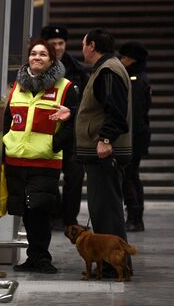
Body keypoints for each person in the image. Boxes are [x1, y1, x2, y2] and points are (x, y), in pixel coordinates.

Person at [3, 39, 78, 274]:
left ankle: (42, 257)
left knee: (39, 209)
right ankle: (33, 257)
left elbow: (71, 125)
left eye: (43, 54)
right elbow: (8, 119)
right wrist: (7, 143)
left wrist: (53, 145)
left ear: (52, 60)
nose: (37, 57)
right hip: (16, 160)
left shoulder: (65, 87)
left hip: (45, 161)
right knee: (25, 210)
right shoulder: (16, 86)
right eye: (33, 53)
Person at [76, 28, 132, 277]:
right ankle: (114, 264)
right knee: (104, 208)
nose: (82, 48)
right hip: (100, 152)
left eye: (84, 43)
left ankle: (113, 265)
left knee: (107, 209)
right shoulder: (106, 67)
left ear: (93, 45)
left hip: (105, 153)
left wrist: (106, 138)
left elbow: (115, 109)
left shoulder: (108, 69)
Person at [41, 25, 89, 229]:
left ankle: (70, 219)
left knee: (75, 177)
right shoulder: (38, 67)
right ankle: (54, 214)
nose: (58, 47)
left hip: (73, 132)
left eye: (61, 43)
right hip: (47, 130)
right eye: (54, 44)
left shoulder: (78, 69)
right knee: (49, 175)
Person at [118, 41, 151, 232]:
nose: (121, 60)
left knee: (129, 176)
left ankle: (134, 217)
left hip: (134, 136)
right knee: (132, 175)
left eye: (123, 57)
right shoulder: (139, 77)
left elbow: (135, 112)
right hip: (137, 134)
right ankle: (135, 215)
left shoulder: (135, 80)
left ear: (131, 60)